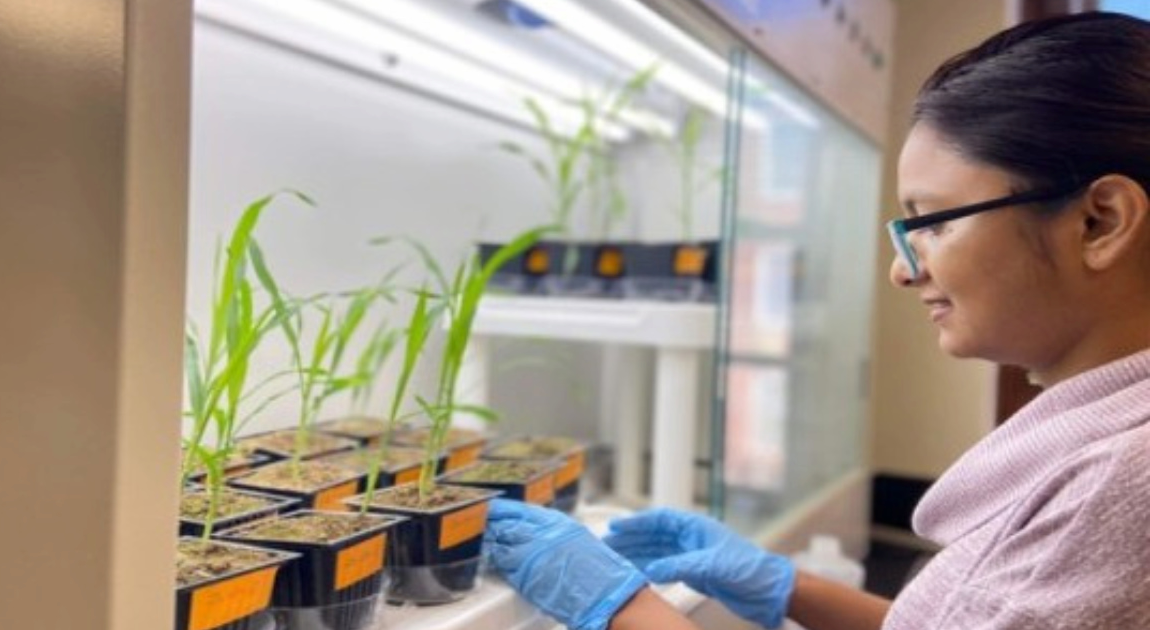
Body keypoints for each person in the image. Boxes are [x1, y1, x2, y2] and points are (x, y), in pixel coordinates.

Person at [484, 11, 1150, 630]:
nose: (902, 271)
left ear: (1100, 222)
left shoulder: (1127, 481)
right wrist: (792, 587)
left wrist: (621, 609)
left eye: (935, 222)